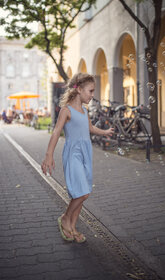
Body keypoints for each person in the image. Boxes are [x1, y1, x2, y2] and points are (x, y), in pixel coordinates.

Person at [41, 73, 114, 243]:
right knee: (82, 191)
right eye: (91, 91)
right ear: (79, 89)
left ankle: (73, 227)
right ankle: (66, 218)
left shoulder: (84, 111)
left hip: (86, 153)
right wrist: (49, 155)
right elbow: (56, 132)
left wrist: (105, 132)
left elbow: (89, 128)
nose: (92, 95)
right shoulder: (66, 110)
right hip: (73, 153)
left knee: (84, 193)